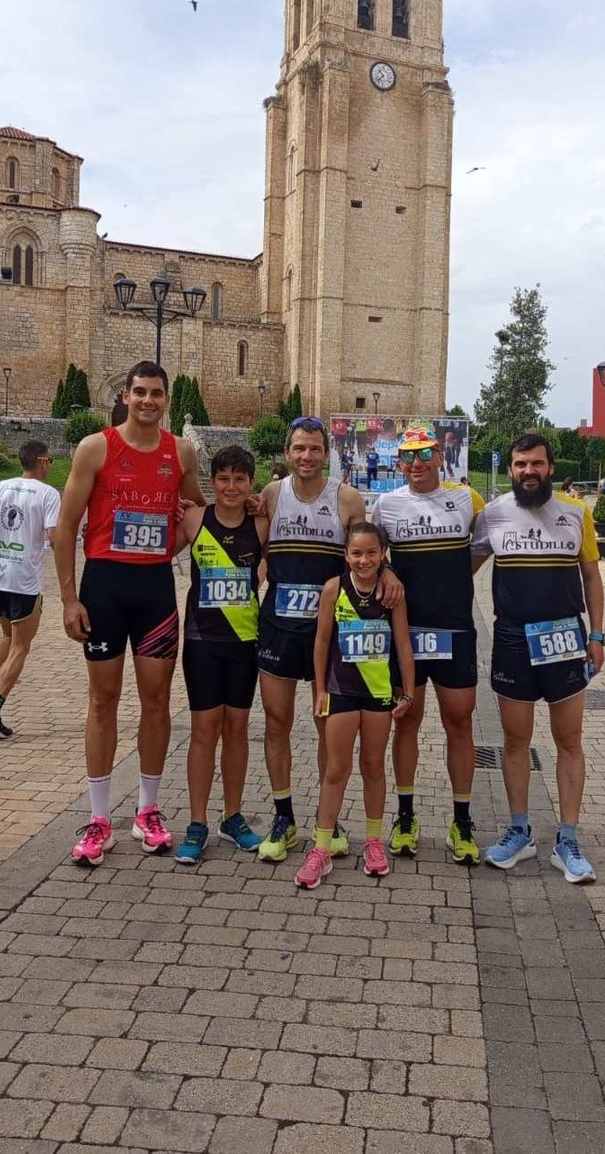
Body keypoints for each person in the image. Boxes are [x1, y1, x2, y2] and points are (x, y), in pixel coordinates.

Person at [53, 361, 205, 868]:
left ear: (167, 400)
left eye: (156, 393)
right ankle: (98, 818)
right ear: (124, 395)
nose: (147, 401)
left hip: (155, 590)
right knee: (103, 701)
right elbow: (66, 525)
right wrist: (69, 598)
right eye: (139, 392)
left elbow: (199, 509)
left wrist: (188, 534)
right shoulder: (95, 447)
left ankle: (147, 810)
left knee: (157, 701)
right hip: (105, 587)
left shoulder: (180, 452)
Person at [256, 417, 399, 863]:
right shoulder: (271, 496)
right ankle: (283, 817)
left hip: (330, 634)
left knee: (326, 727)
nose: (307, 456)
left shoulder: (346, 497)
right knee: (276, 723)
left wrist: (389, 571)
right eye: (299, 448)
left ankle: (328, 817)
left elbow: (370, 548)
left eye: (315, 448)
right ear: (287, 451)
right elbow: (253, 551)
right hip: (278, 627)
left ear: (326, 452)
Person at [472, 433, 605, 884]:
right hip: (511, 637)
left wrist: (598, 635)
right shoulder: (492, 515)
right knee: (515, 740)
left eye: (536, 463)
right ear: (510, 470)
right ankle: (519, 831)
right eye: (520, 464)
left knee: (569, 739)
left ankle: (567, 839)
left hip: (565, 636)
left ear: (550, 468)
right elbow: (460, 567)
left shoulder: (577, 512)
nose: (529, 471)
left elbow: (591, 575)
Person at [372, 424, 483, 864]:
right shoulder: (387, 504)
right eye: (408, 457)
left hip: (455, 631)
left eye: (424, 455)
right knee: (407, 723)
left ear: (440, 457)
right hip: (408, 635)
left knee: (460, 723)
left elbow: (488, 542)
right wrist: (385, 572)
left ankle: (461, 819)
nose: (416, 464)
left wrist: (456, 579)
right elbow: (370, 553)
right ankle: (405, 815)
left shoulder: (466, 499)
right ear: (399, 463)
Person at [295, 523, 416, 888]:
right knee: (336, 770)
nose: (364, 560)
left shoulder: (391, 592)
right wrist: (319, 690)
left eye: (371, 553)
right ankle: (321, 847)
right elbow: (321, 642)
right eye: (356, 553)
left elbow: (403, 644)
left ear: (383, 555)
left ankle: (374, 841)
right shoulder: (334, 589)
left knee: (373, 767)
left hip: (379, 695)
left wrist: (408, 692)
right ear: (345, 555)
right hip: (341, 692)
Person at [173, 445, 269, 864]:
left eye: (240, 480)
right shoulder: (195, 518)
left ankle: (233, 815)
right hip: (202, 642)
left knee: (237, 729)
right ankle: (197, 821)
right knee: (203, 732)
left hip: (246, 642)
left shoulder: (262, 523)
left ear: (251, 483)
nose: (231, 487)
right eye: (224, 479)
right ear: (213, 482)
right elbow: (159, 552)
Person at [0, 441, 60, 739]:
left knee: (7, 636)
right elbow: (55, 537)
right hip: (24, 579)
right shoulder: (48, 494)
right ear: (42, 462)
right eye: (51, 461)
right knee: (21, 646)